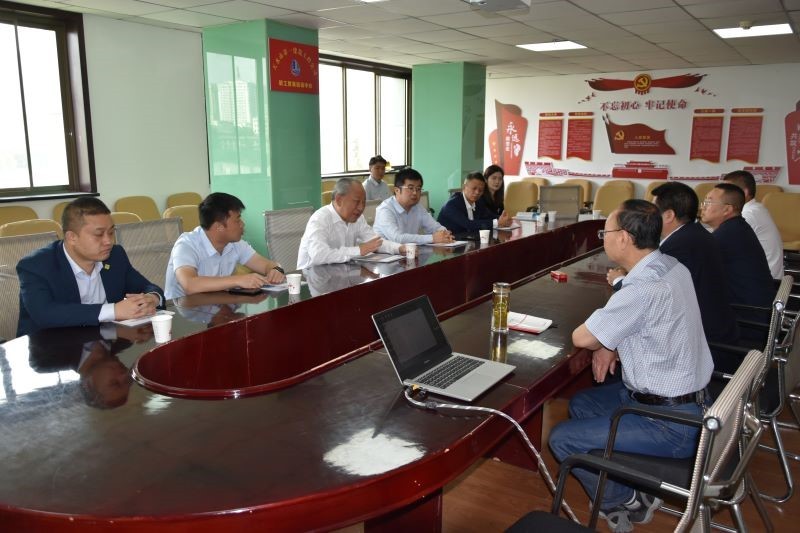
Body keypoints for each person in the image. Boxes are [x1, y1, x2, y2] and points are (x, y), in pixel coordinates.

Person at [549, 200, 713, 533]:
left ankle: (625, 500)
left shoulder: (641, 289)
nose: (603, 239)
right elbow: (643, 322)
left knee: (562, 439)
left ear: (623, 237)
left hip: (669, 425)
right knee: (582, 403)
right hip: (692, 404)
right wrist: (611, 341)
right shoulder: (671, 266)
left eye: (605, 233)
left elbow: (581, 337)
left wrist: (605, 339)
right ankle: (626, 479)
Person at [17, 197, 165, 337]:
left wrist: (152, 298)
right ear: (71, 237)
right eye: (99, 234)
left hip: (105, 342)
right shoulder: (36, 266)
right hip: (49, 347)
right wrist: (113, 311)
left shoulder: (115, 255)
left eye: (111, 232)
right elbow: (45, 314)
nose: (108, 241)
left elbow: (147, 287)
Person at [164, 192, 285, 299]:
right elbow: (190, 285)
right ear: (219, 227)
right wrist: (239, 280)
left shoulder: (235, 244)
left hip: (217, 305)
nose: (242, 224)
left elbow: (267, 265)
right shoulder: (186, 244)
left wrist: (276, 270)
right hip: (181, 311)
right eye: (237, 220)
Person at [700, 183, 774, 317]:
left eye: (708, 202)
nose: (702, 207)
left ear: (727, 209)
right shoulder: (736, 227)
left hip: (747, 317)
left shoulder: (726, 235)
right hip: (757, 310)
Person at [297, 178, 404, 269]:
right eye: (356, 202)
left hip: (341, 273)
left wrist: (399, 248)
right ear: (339, 199)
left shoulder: (358, 218)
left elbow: (375, 242)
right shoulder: (320, 219)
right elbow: (319, 255)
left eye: (363, 202)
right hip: (312, 278)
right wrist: (359, 250)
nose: (361, 208)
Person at [723, 170, 784, 280]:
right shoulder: (754, 209)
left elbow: (719, 243)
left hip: (765, 282)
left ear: (744, 192)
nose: (722, 196)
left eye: (727, 191)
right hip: (761, 277)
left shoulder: (749, 214)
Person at [373, 167, 454, 244]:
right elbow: (397, 238)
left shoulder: (417, 207)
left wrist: (445, 233)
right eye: (410, 188)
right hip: (385, 253)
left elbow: (435, 227)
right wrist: (432, 238)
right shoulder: (385, 209)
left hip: (410, 251)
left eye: (418, 189)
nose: (415, 193)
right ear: (397, 190)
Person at [437, 172, 511, 235]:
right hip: (448, 243)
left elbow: (490, 215)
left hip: (468, 240)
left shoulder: (478, 202)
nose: (477, 192)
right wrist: (497, 222)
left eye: (480, 190)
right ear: (464, 187)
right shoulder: (451, 205)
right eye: (474, 188)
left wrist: (504, 219)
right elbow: (468, 224)